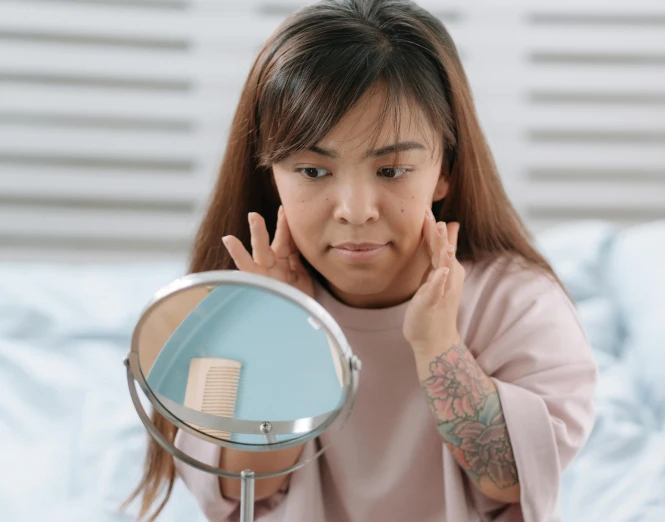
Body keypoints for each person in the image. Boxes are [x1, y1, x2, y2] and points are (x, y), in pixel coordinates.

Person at [125, 0, 598, 520]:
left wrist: (438, 344)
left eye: (392, 170)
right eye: (311, 171)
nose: (355, 211)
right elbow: (247, 487)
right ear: (271, 176)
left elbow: (511, 482)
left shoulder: (517, 304)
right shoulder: (227, 307)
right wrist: (285, 333)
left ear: (446, 170)